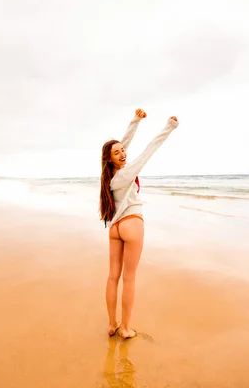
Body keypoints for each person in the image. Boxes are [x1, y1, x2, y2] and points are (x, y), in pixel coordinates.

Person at [99, 108, 179, 339]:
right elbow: (149, 150)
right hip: (131, 223)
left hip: (114, 228)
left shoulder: (108, 174)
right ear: (110, 157)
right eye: (118, 153)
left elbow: (121, 144)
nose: (123, 154)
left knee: (113, 276)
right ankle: (125, 328)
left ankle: (111, 324)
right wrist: (169, 127)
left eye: (123, 151)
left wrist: (136, 121)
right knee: (129, 278)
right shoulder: (127, 173)